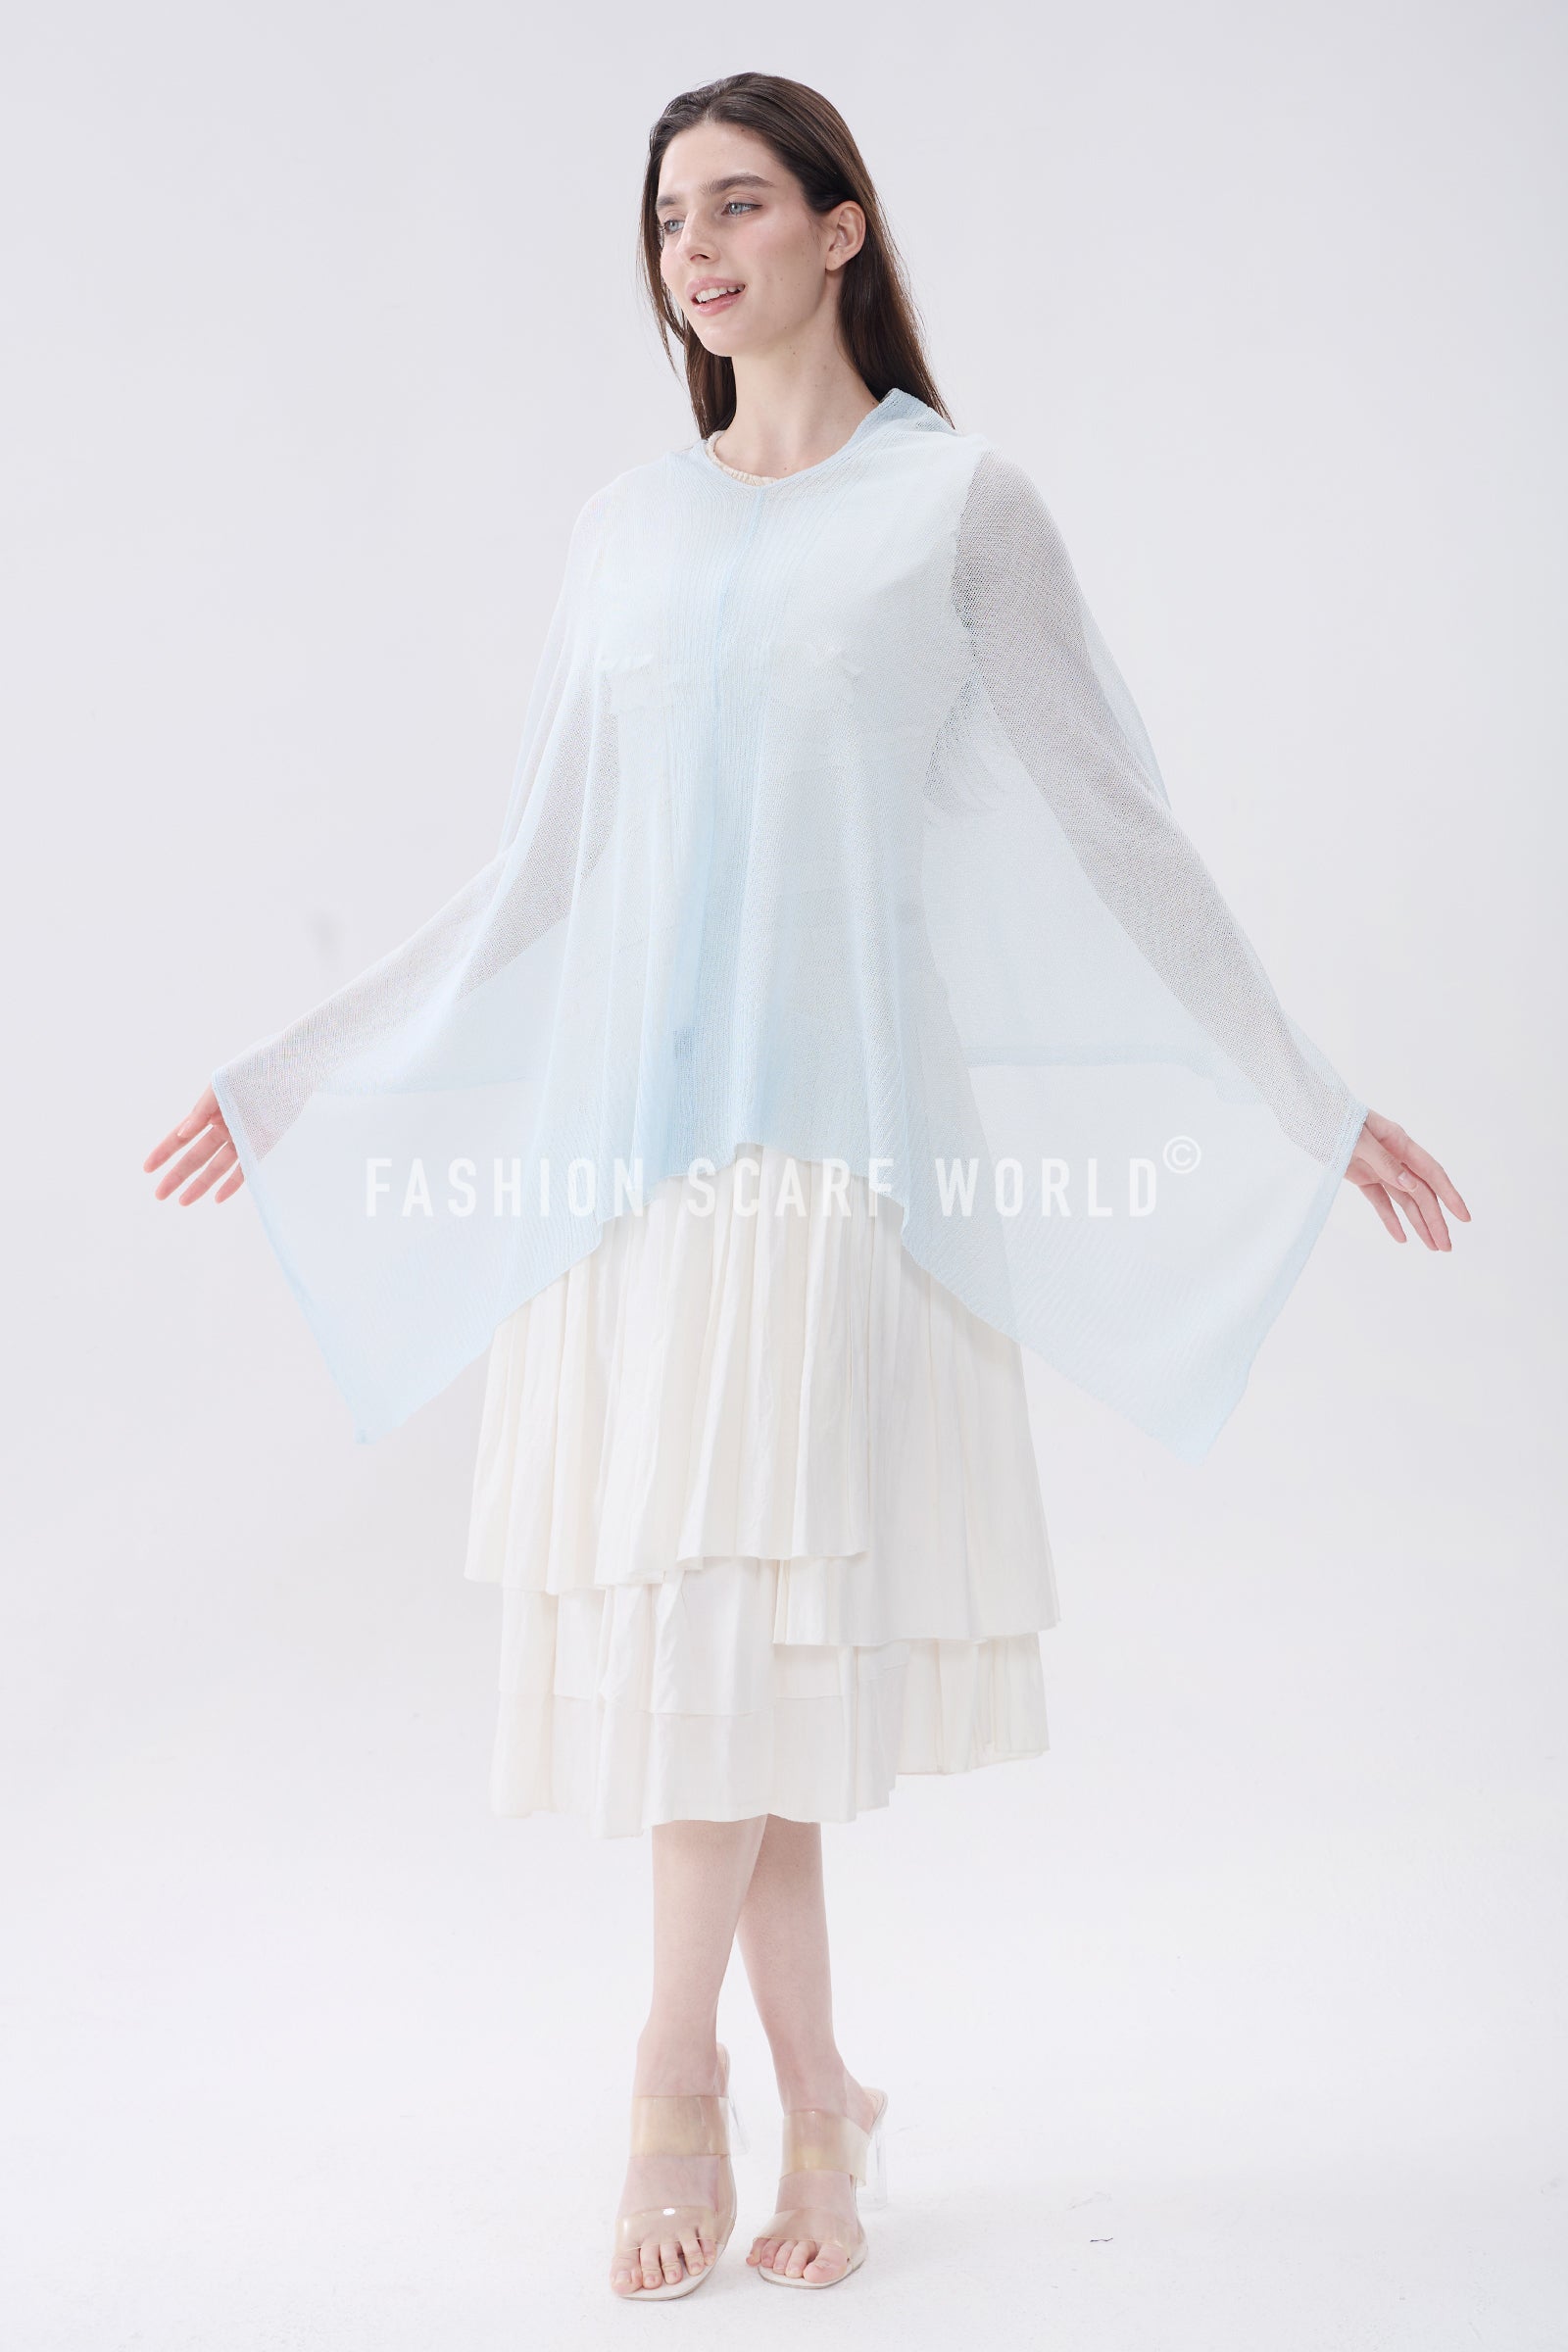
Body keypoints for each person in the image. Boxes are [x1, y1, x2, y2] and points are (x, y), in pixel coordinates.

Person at [143, 73, 1469, 2301]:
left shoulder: (956, 508)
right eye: (670, 216)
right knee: (726, 1658)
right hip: (642, 1173)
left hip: (840, 1165)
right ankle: (822, 2100)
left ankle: (673, 2077)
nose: (696, 248)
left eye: (740, 205)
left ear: (842, 229)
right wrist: (295, 1077)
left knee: (725, 1650)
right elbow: (540, 869)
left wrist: (1309, 1099)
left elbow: (1121, 829)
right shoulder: (624, 531)